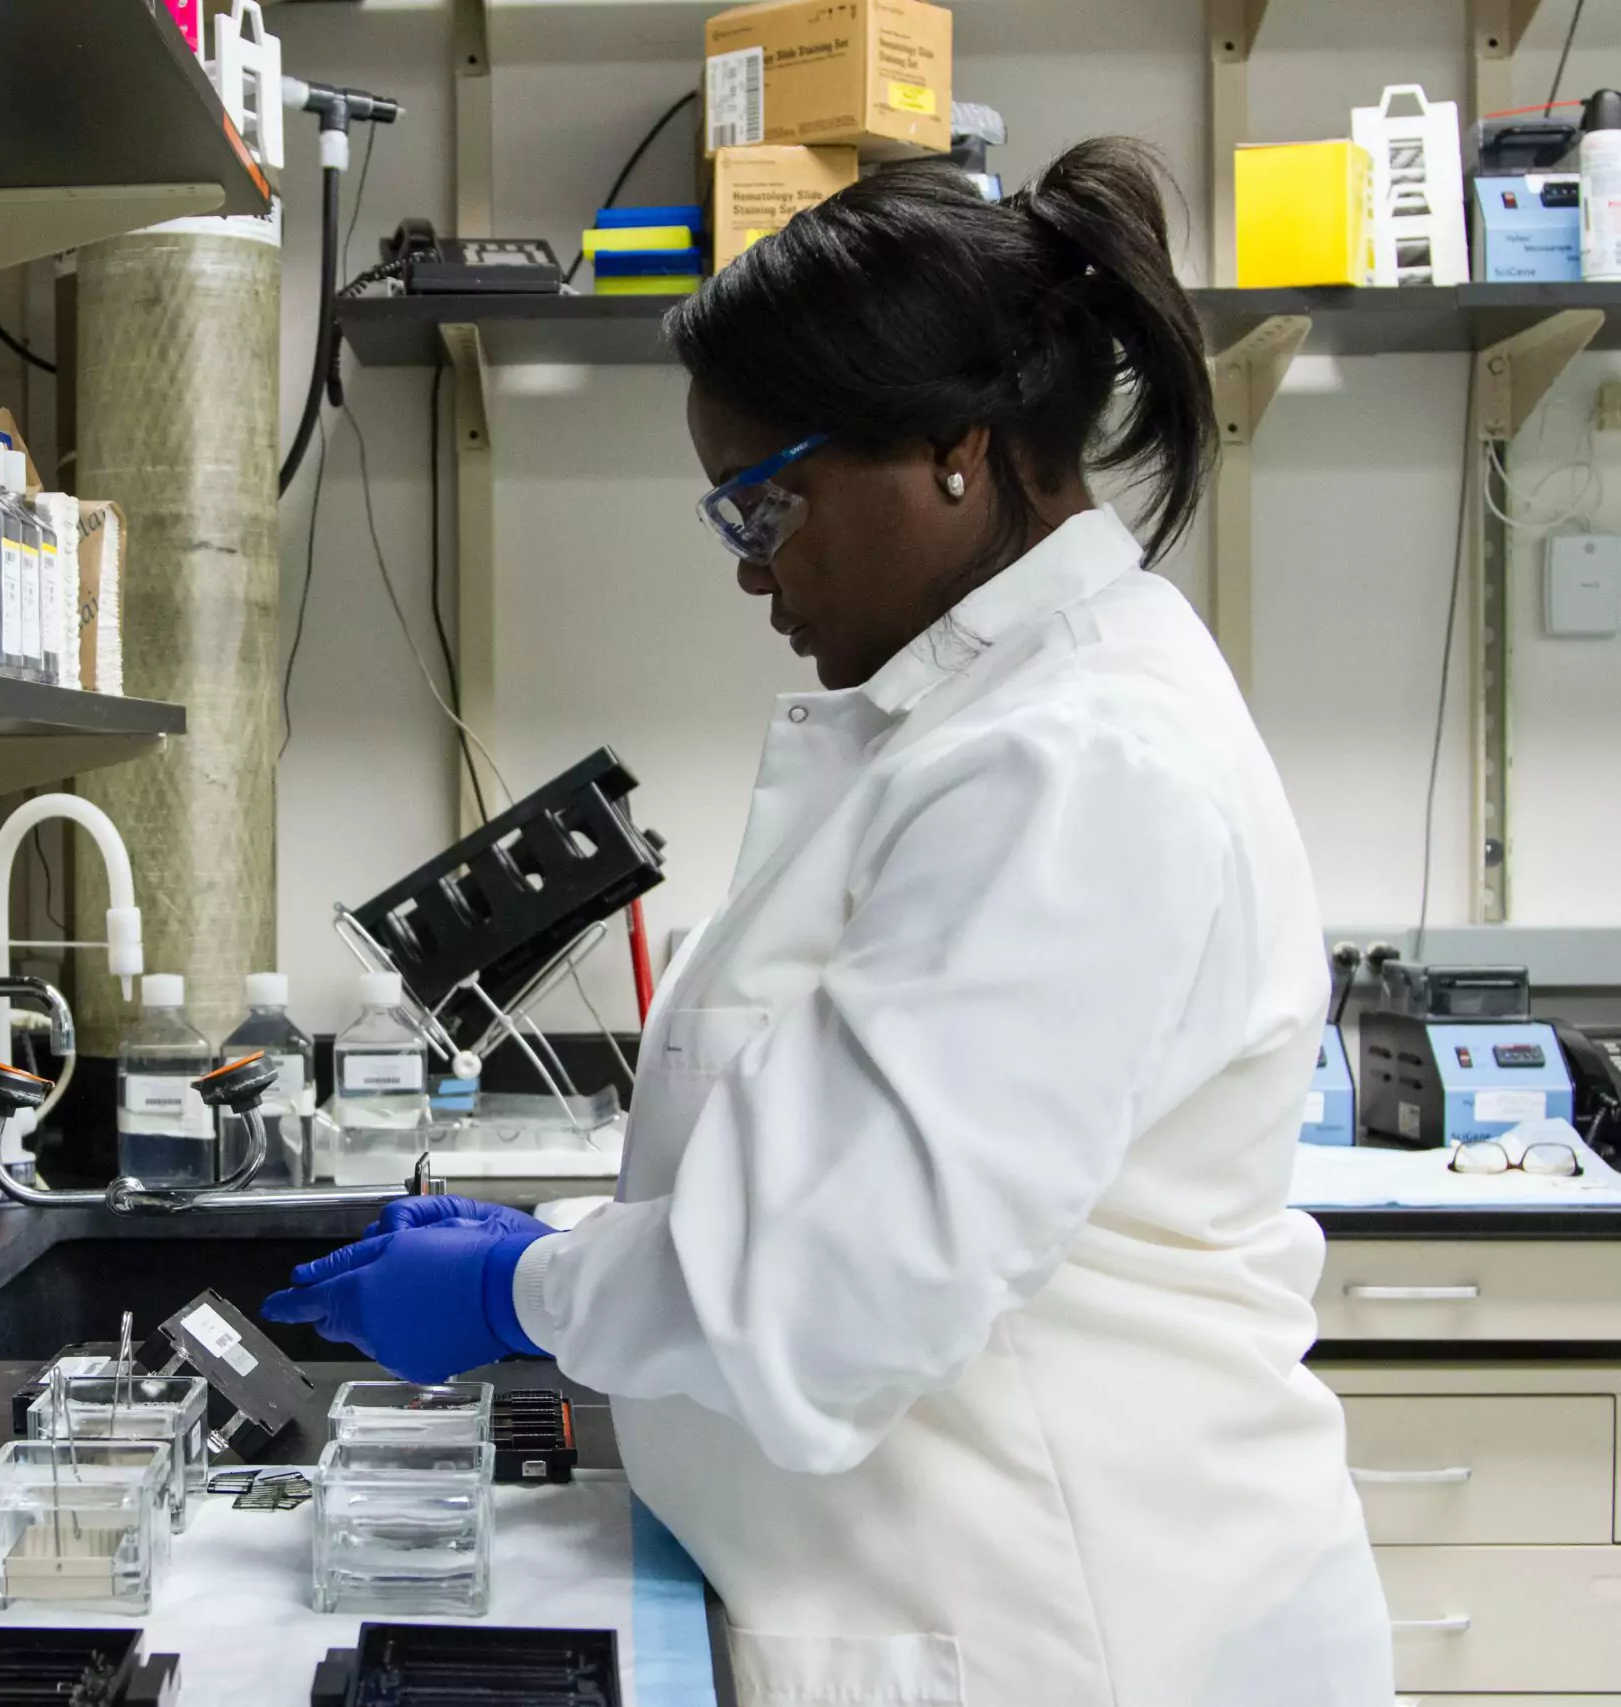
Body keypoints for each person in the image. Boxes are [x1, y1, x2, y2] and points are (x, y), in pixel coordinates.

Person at [262, 139, 1392, 1706]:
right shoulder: (976, 731)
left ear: (955, 449)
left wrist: (525, 1287)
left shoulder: (1075, 767)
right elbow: (836, 1178)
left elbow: (817, 1297)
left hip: (1081, 1627)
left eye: (762, 504)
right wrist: (573, 1259)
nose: (750, 571)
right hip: (954, 1589)